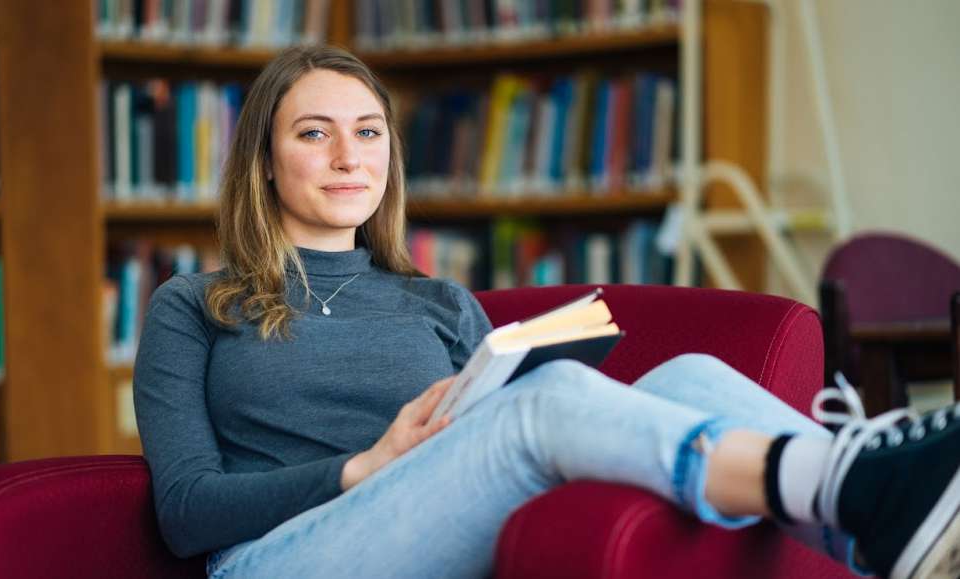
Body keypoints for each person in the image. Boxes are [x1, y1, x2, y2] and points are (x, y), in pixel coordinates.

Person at [133, 45, 960, 579]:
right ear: (266, 163)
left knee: (692, 374)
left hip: (432, 528)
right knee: (550, 403)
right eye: (314, 133)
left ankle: (883, 538)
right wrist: (364, 465)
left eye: (370, 131)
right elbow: (185, 511)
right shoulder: (192, 305)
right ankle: (858, 481)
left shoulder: (437, 299)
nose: (351, 155)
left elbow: (483, 439)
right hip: (280, 556)